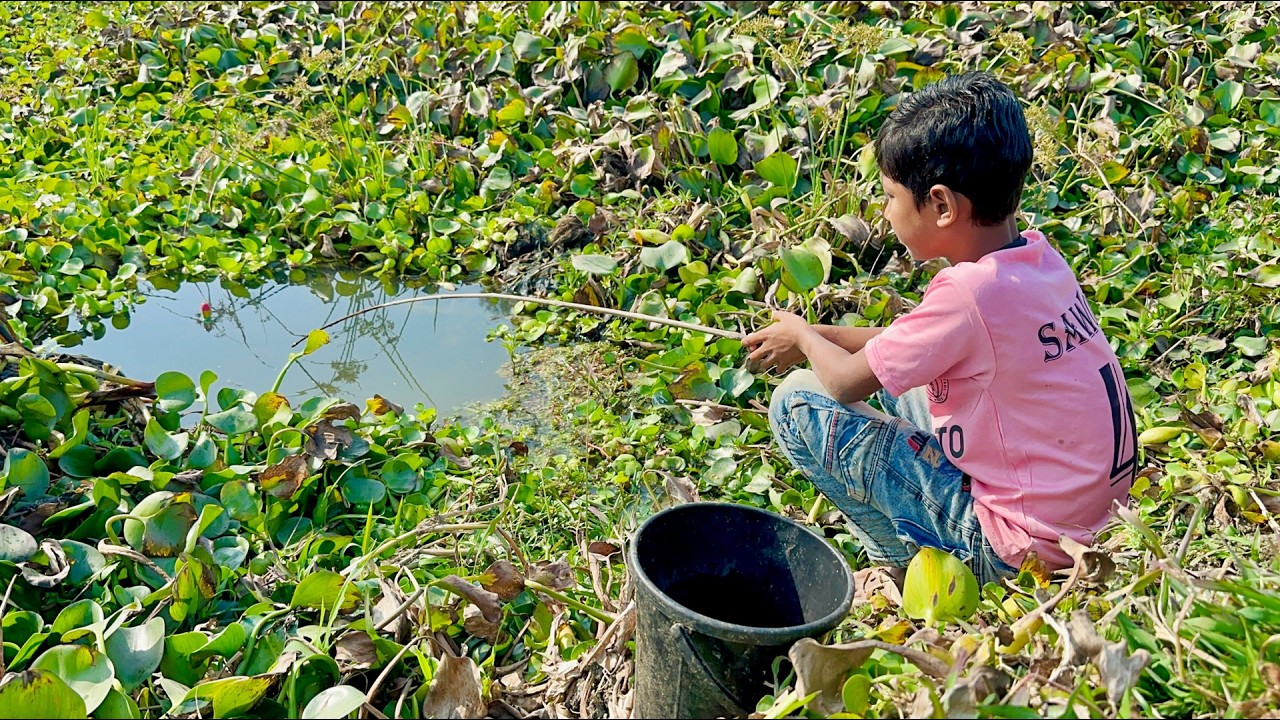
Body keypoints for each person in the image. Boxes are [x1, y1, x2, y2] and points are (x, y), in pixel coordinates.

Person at [743, 71, 1137, 588]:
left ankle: (902, 563)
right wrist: (825, 335)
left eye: (890, 198)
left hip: (1019, 551)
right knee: (904, 387)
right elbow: (908, 348)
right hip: (1087, 520)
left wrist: (801, 336)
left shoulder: (967, 296)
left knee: (797, 403)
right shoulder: (1035, 260)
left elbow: (843, 384)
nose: (885, 214)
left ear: (942, 205)